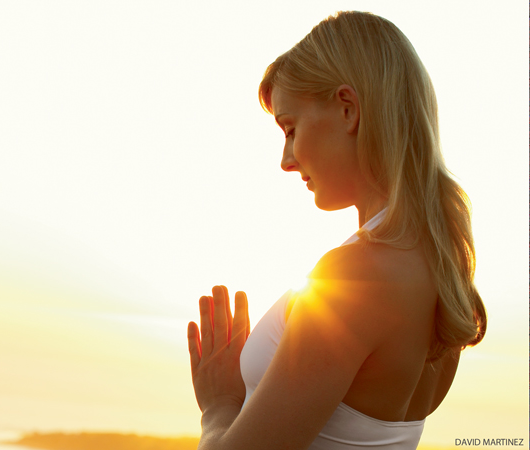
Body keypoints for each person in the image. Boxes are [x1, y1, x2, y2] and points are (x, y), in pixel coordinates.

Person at [186, 11, 486, 450]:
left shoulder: (356, 276)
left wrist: (218, 405)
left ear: (348, 109)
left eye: (290, 129)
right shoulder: (443, 271)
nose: (286, 160)